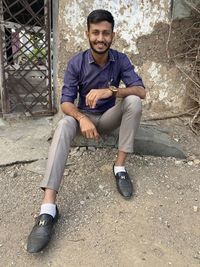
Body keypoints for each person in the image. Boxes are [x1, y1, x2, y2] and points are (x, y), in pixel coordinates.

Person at [27, 9, 146, 253]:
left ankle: (120, 167)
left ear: (112, 35)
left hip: (108, 118)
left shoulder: (120, 60)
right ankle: (48, 209)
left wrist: (111, 91)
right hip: (83, 120)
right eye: (95, 33)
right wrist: (82, 118)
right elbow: (65, 103)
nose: (100, 38)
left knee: (134, 101)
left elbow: (140, 90)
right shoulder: (76, 62)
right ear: (87, 34)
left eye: (105, 33)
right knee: (63, 123)